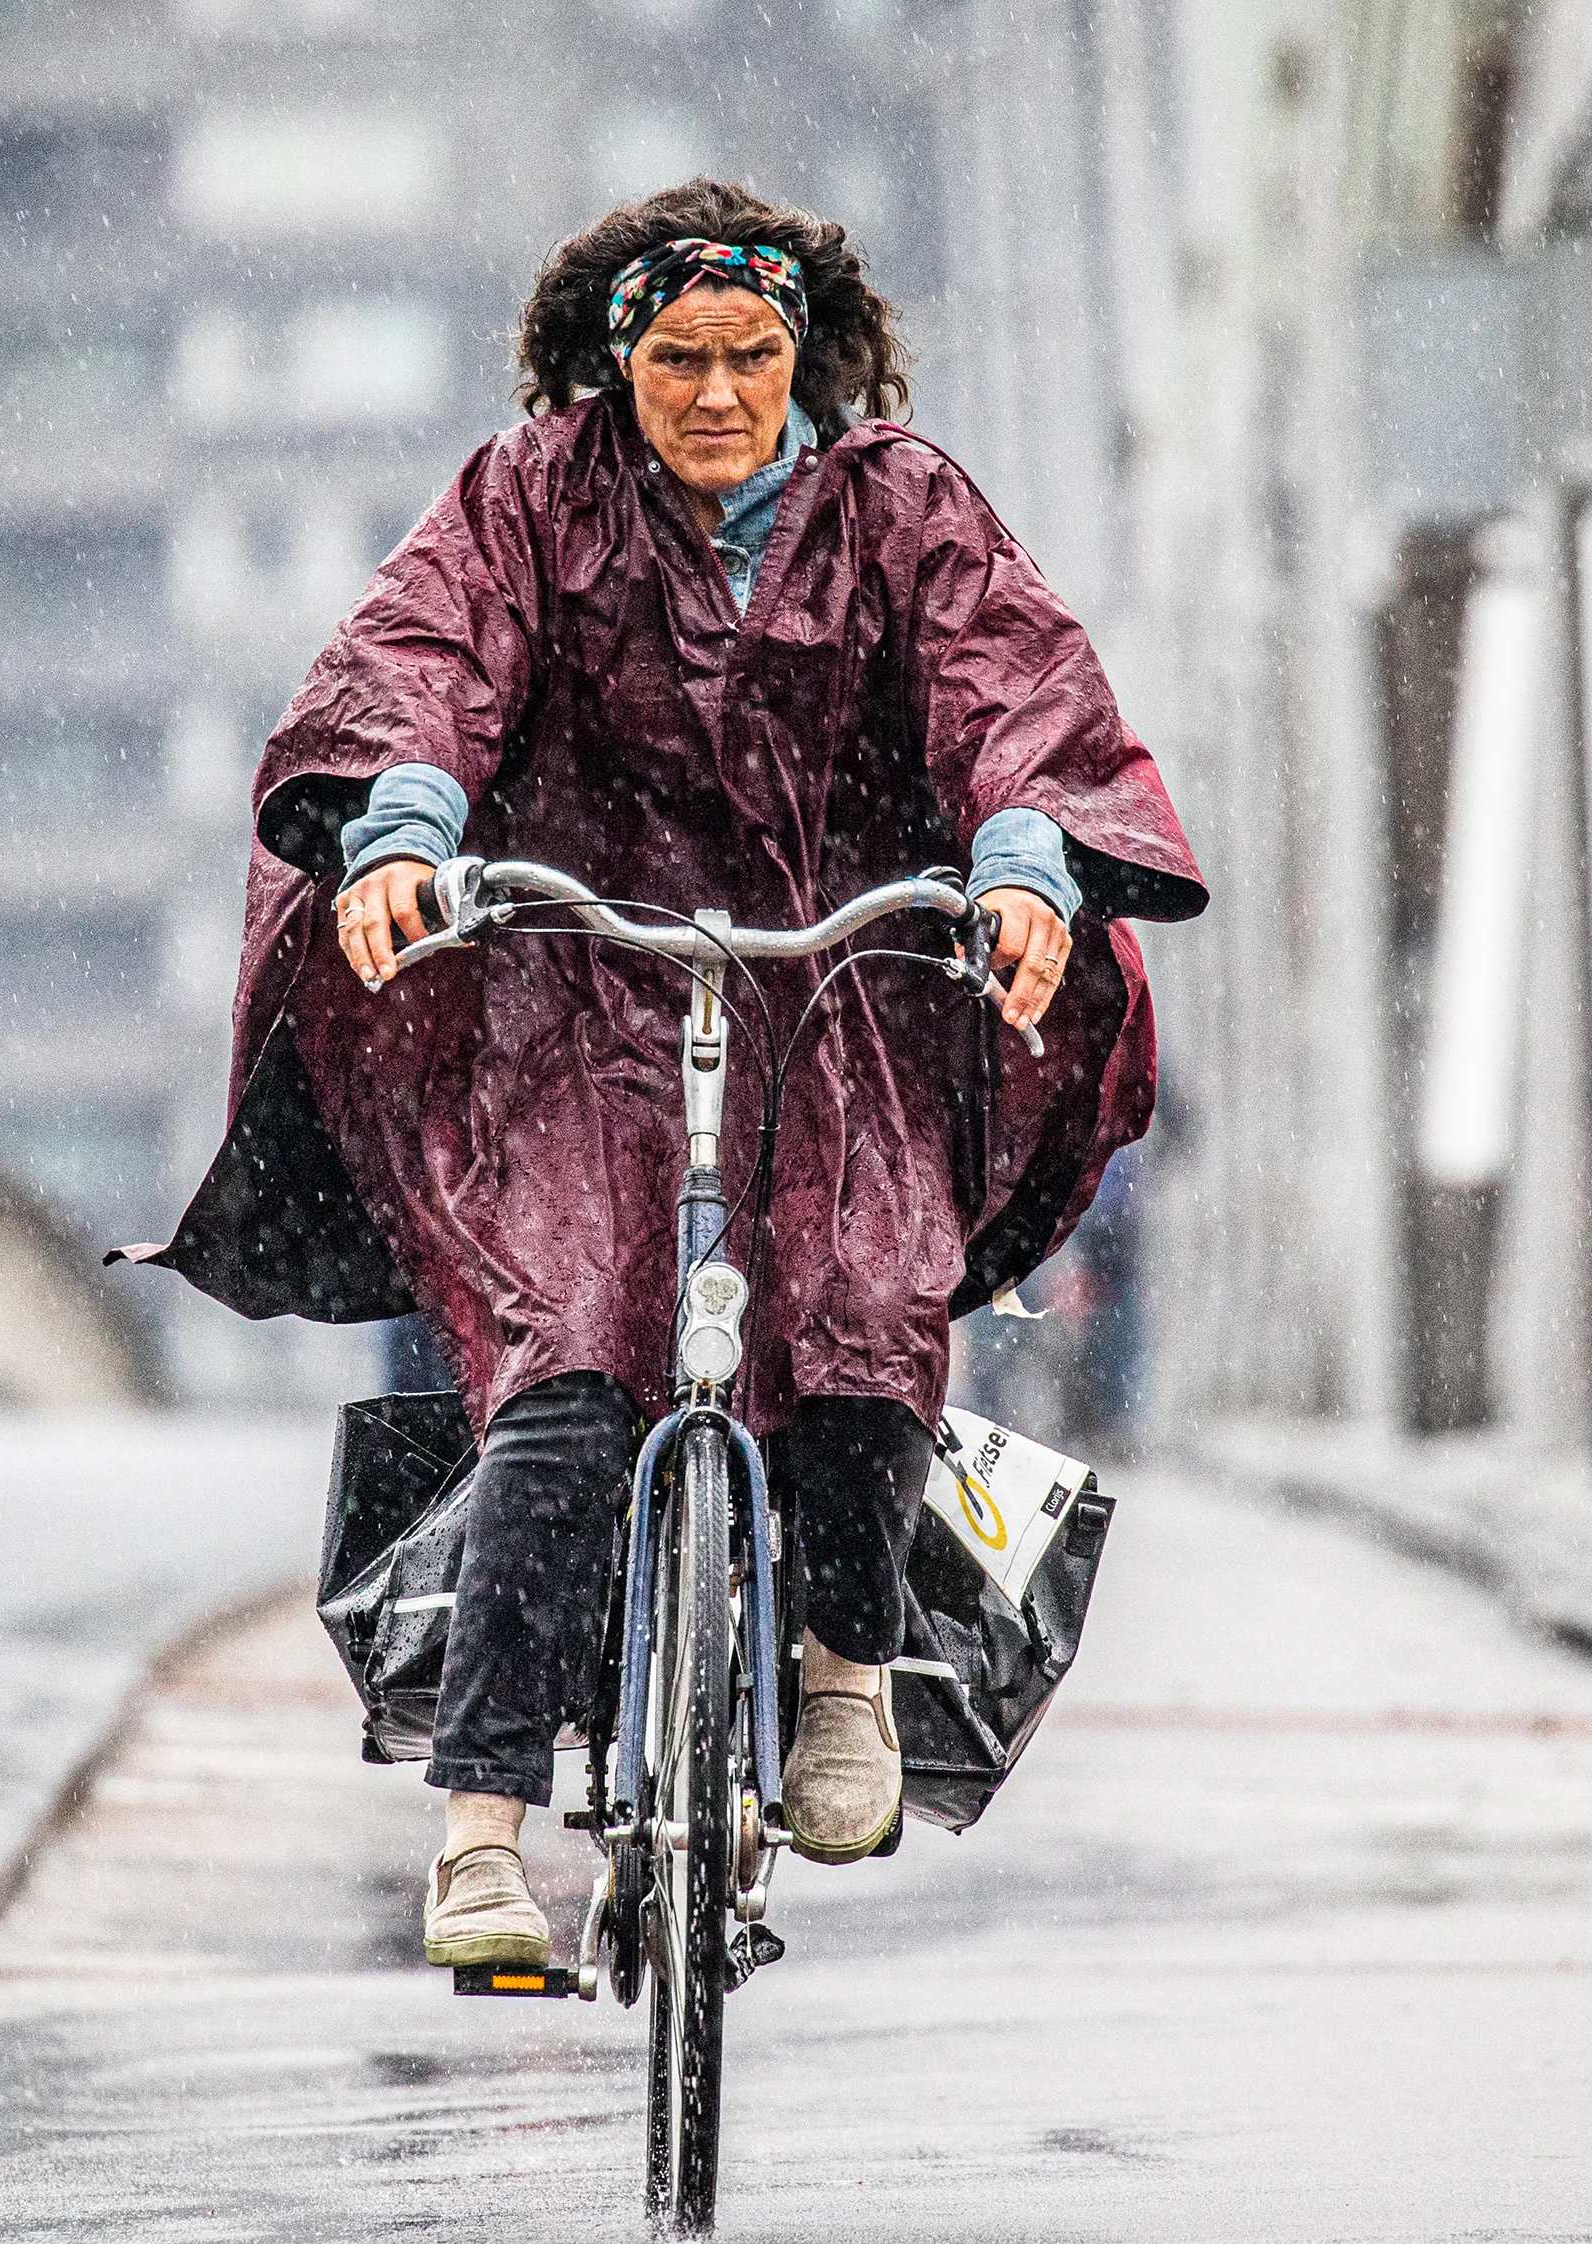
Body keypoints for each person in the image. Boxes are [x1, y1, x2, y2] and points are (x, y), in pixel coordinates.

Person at [122, 180, 1202, 1968]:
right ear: (616, 363)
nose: (717, 393)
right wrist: (400, 834)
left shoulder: (901, 506)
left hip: (835, 986)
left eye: (751, 356)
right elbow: (427, 663)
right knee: (569, 1362)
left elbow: (1008, 689)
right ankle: (480, 1836)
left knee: (869, 1301)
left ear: (805, 356)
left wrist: (1022, 858)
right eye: (680, 359)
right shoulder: (532, 496)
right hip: (573, 1000)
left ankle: (844, 1675)